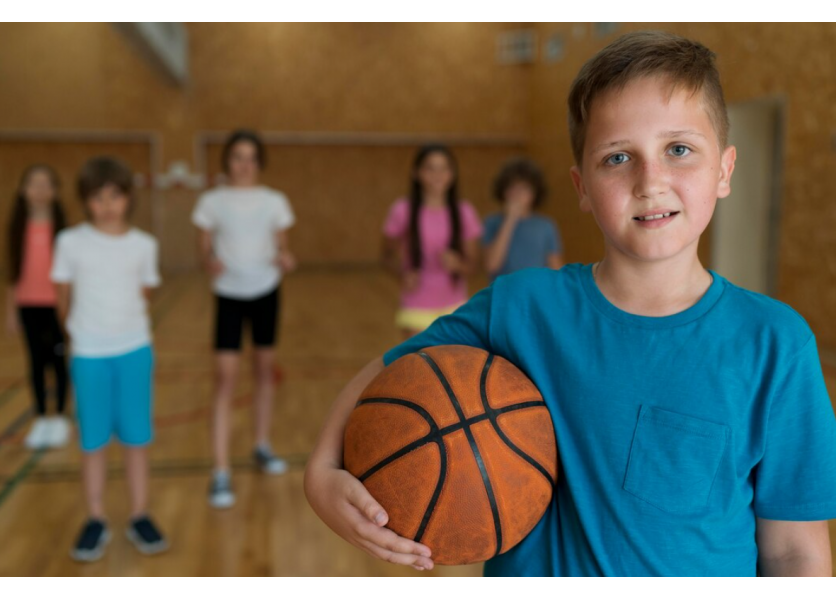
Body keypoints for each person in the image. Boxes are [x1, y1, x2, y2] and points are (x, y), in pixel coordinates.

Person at [304, 31, 836, 576]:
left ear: (723, 170)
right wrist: (321, 473)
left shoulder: (775, 345)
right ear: (582, 187)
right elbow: (388, 373)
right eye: (618, 157)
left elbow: (794, 550)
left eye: (678, 149)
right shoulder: (521, 308)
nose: (650, 181)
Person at [52, 157, 167, 561]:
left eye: (114, 196)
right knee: (93, 441)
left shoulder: (144, 245)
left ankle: (139, 514)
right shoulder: (69, 242)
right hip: (89, 355)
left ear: (128, 198)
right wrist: (83, 335)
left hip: (134, 352)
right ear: (85, 200)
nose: (106, 205)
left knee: (137, 440)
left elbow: (145, 294)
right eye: (97, 197)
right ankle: (96, 517)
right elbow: (62, 298)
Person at [191, 129, 296, 509]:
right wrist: (209, 261)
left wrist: (285, 258)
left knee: (264, 370)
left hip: (266, 291)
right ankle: (220, 470)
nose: (244, 164)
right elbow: (204, 248)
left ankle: (261, 444)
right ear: (228, 161)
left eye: (251, 157)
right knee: (225, 377)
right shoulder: (212, 201)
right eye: (238, 157)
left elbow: (282, 245)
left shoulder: (274, 201)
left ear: (259, 162)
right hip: (229, 295)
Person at [381, 145, 482, 339]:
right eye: (430, 168)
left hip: (455, 306)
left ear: (452, 174)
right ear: (416, 173)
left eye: (444, 168)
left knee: (453, 359)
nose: (438, 175)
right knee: (420, 358)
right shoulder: (402, 210)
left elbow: (473, 266)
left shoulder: (464, 212)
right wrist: (402, 275)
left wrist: (457, 264)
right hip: (416, 305)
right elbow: (386, 256)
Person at [5, 164, 70, 449]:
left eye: (46, 184)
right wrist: (10, 311)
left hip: (57, 305)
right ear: (23, 190)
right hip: (28, 304)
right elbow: (13, 273)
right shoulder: (18, 229)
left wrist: (69, 308)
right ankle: (42, 417)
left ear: (55, 191)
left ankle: (60, 417)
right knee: (35, 362)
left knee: (58, 362)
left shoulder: (64, 233)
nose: (40, 190)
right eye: (34, 183)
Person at [483, 158, 564, 281]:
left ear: (534, 193)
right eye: (512, 187)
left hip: (535, 290)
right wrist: (510, 219)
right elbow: (491, 265)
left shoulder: (546, 225)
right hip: (502, 290)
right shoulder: (492, 222)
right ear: (503, 190)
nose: (518, 194)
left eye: (524, 188)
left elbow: (555, 268)